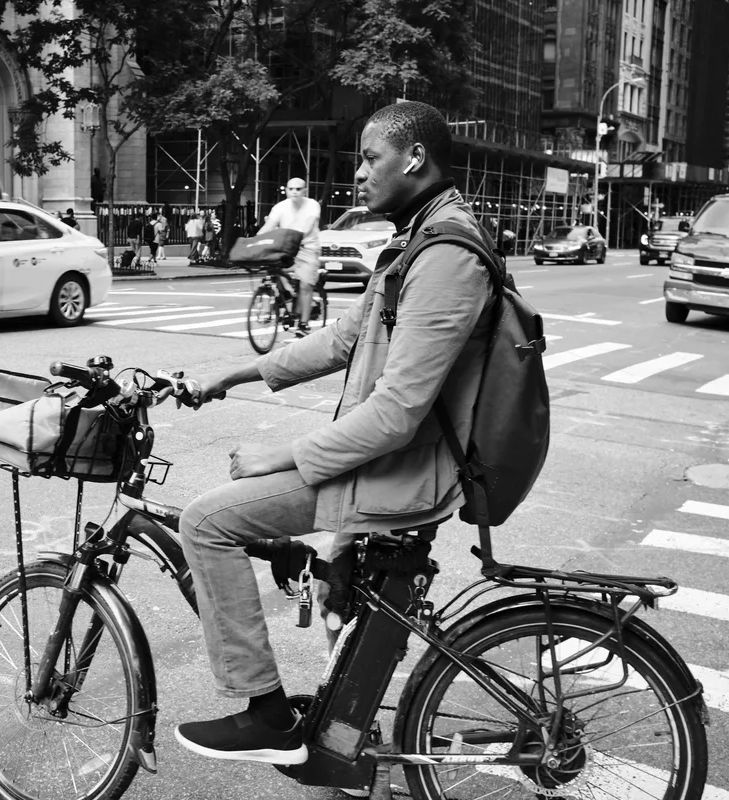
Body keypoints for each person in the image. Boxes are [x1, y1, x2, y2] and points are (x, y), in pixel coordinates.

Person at [171, 100, 496, 769]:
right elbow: (341, 340)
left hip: (403, 472)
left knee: (206, 523)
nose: (359, 174)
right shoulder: (416, 239)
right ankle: (342, 740)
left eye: (371, 158)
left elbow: (397, 413)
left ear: (414, 158)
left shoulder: (447, 254)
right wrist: (233, 374)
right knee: (332, 582)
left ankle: (265, 715)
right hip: (391, 462)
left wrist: (279, 452)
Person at [257, 178, 322, 338]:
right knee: (271, 269)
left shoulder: (312, 205)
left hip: (307, 248)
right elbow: (269, 225)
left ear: (304, 191)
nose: (294, 191)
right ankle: (285, 294)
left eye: (298, 189)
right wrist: (256, 239)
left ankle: (303, 323)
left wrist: (297, 238)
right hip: (286, 247)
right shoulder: (280, 207)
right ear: (286, 190)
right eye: (291, 188)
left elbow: (308, 224)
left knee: (306, 285)